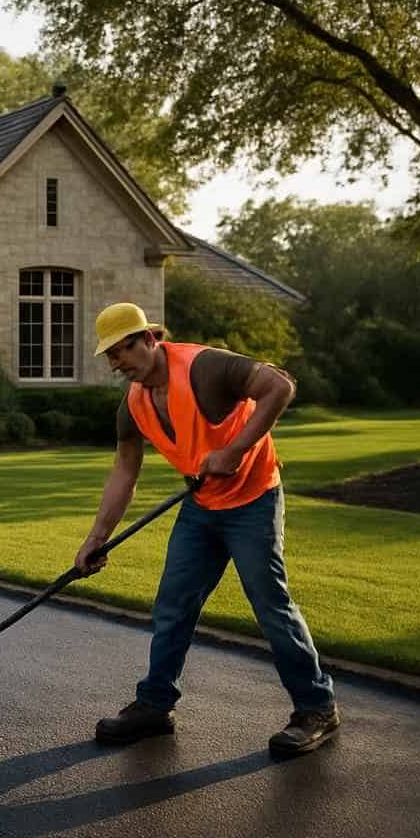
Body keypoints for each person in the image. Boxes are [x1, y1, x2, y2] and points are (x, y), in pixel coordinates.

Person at [74, 302, 340, 756]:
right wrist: (97, 537)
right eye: (110, 356)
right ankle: (156, 706)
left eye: (122, 350)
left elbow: (279, 386)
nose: (117, 363)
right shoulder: (134, 404)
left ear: (150, 339)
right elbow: (124, 471)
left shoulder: (206, 367)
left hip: (253, 500)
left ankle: (317, 708)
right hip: (201, 506)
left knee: (269, 603)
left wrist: (236, 449)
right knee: (173, 604)